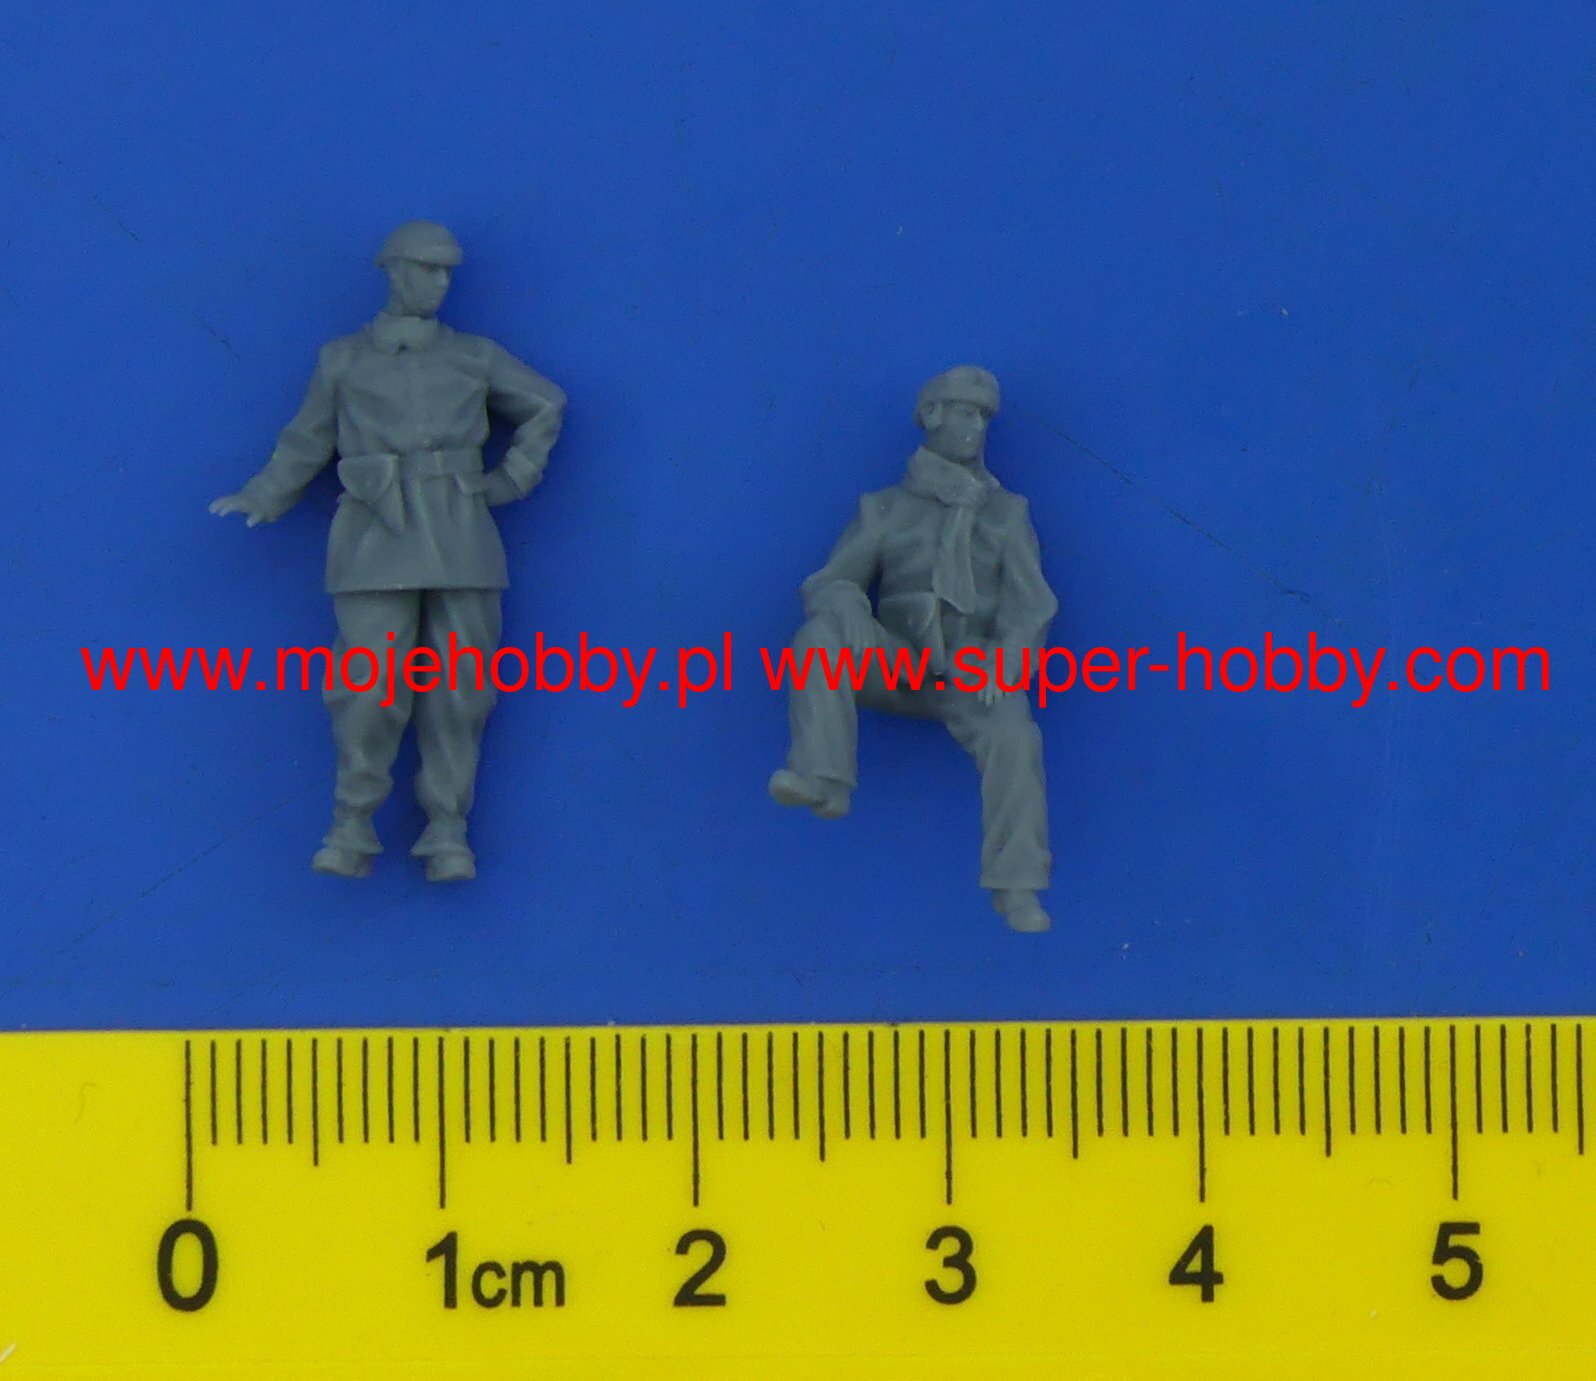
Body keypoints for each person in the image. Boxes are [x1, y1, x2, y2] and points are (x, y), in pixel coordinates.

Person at [211, 220, 566, 881]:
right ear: (394, 270)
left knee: (461, 689)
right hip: (376, 534)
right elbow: (307, 439)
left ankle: (447, 827)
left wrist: (513, 478)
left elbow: (546, 404)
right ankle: (353, 822)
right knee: (365, 687)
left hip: (459, 532)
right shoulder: (343, 360)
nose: (438, 283)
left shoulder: (474, 356)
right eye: (427, 269)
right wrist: (264, 493)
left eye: (446, 272)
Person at [768, 366, 1057, 931]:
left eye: (984, 417)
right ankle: (822, 778)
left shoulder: (1006, 514)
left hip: (973, 671)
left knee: (1016, 736)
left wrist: (1007, 657)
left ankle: (1017, 884)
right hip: (897, 662)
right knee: (818, 637)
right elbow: (829, 581)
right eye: (966, 413)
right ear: (932, 415)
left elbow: (1032, 605)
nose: (977, 427)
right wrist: (849, 604)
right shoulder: (884, 509)